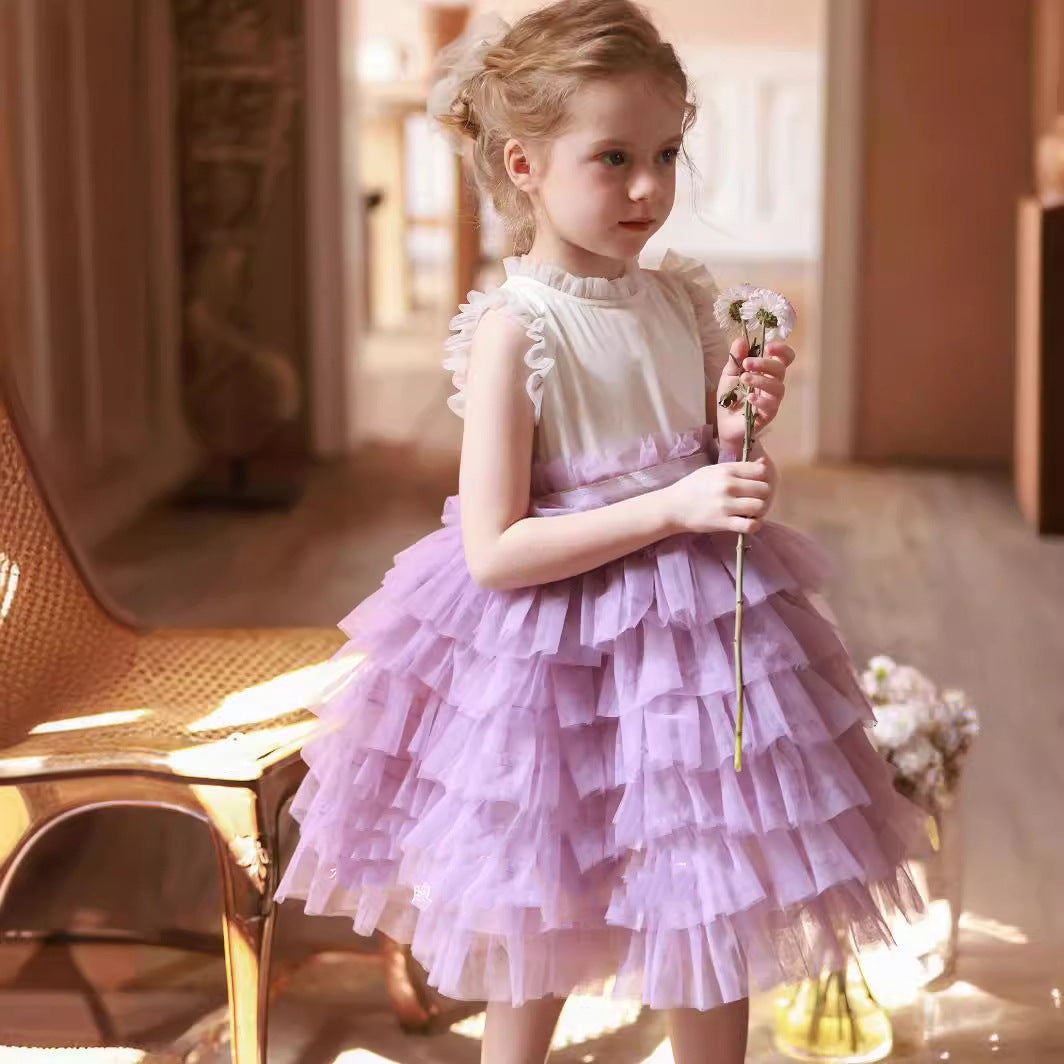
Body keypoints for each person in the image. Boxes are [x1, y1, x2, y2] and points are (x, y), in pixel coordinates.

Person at [275, 2, 924, 1060]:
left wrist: (728, 436)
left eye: (665, 154)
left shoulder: (681, 300)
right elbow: (493, 549)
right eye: (612, 158)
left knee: (712, 892)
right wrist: (673, 505)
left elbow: (716, 473)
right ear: (523, 165)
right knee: (543, 898)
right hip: (552, 660)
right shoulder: (514, 330)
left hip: (697, 655)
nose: (647, 188)